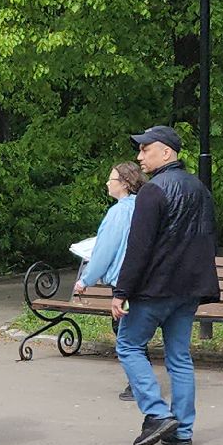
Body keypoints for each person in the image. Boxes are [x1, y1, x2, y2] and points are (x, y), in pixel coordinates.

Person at [111, 126, 218, 445]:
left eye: (146, 149)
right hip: (188, 291)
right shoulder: (200, 189)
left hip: (154, 289)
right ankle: (182, 431)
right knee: (180, 358)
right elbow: (207, 238)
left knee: (128, 345)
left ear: (167, 152)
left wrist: (121, 291)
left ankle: (157, 414)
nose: (139, 156)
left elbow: (139, 247)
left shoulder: (153, 191)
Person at [74, 161, 148, 402]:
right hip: (146, 279)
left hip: (124, 282)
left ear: (125, 184)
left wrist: (86, 279)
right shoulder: (146, 207)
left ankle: (139, 385)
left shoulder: (118, 212)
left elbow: (105, 250)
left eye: (112, 179)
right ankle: (140, 383)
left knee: (125, 332)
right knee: (135, 330)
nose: (107, 183)